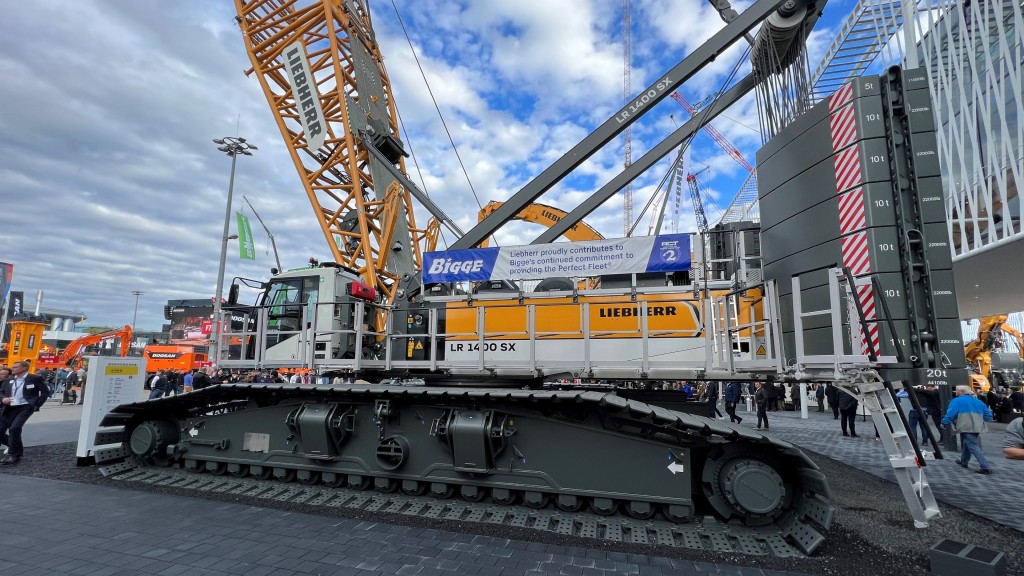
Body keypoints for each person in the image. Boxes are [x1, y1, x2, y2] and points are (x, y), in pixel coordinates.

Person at [0, 361, 52, 465]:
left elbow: (45, 392)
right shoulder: (9, 380)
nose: (12, 368)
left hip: (25, 407)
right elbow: (1, 392)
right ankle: (15, 447)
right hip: (10, 407)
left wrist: (36, 404)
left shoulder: (34, 378)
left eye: (15, 367)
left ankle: (13, 454)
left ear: (24, 368)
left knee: (14, 428)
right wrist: (3, 399)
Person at [941, 385, 994, 475]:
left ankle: (985, 467)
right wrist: (978, 419)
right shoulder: (978, 401)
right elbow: (988, 416)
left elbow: (951, 413)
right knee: (968, 443)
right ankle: (964, 461)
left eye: (956, 390)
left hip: (965, 425)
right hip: (977, 426)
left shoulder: (956, 401)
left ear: (961, 392)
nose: (955, 392)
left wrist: (944, 423)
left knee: (972, 445)